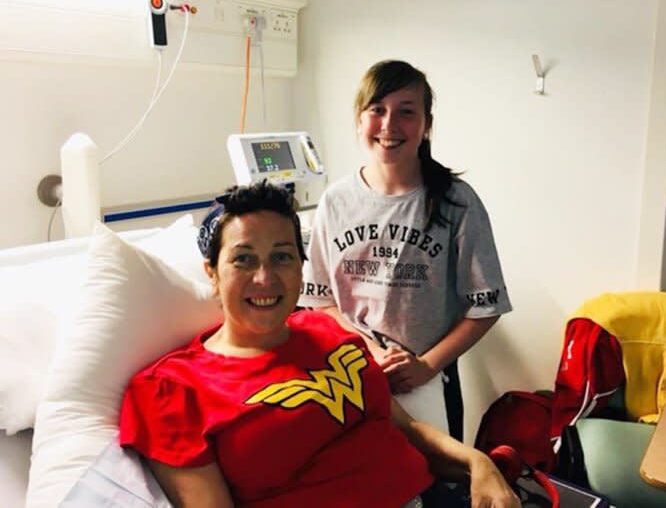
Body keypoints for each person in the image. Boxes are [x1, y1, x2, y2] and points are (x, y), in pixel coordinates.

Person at [118, 181, 519, 508]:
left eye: (282, 257)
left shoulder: (330, 333)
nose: (265, 278)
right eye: (243, 260)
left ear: (301, 267)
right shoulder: (171, 391)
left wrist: (477, 462)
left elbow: (406, 429)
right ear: (212, 273)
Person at [300, 60, 512, 440]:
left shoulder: (457, 203)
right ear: (359, 119)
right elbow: (320, 300)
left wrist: (426, 366)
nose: (389, 124)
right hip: (353, 369)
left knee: (435, 481)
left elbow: (485, 307)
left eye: (406, 112)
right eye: (377, 109)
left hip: (429, 377)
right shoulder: (335, 202)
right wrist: (369, 350)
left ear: (427, 125)